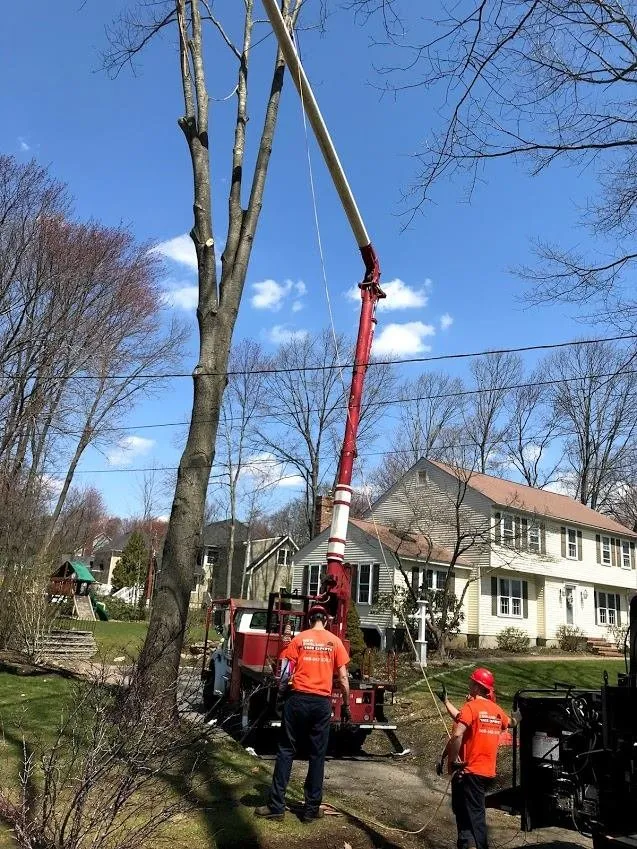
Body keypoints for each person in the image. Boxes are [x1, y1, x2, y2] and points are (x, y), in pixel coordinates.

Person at [255, 604, 350, 823]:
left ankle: (276, 807)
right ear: (325, 621)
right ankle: (311, 810)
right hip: (321, 703)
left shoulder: (299, 640)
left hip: (297, 700)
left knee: (286, 750)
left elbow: (285, 672)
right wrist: (345, 705)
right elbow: (344, 678)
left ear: (309, 621)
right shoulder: (335, 642)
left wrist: (281, 696)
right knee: (317, 755)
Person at [438, 668, 520, 849]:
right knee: (466, 812)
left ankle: (477, 845)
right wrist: (518, 718)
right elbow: (511, 723)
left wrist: (452, 762)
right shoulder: (496, 710)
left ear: (477, 686)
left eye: (471, 682)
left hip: (469, 771)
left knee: (472, 816)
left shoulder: (471, 707)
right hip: (486, 772)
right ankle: (469, 845)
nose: (469, 685)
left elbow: (457, 735)